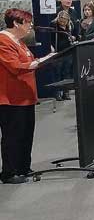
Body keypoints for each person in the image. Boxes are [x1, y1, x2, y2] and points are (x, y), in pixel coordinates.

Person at [0, 9, 41, 184]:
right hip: (11, 98)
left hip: (25, 96)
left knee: (25, 133)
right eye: (27, 23)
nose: (30, 26)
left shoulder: (19, 42)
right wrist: (36, 63)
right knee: (13, 135)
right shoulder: (3, 40)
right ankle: (10, 172)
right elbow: (15, 66)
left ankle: (23, 167)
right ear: (16, 24)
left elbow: (29, 61)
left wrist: (42, 61)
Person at [50, 11, 75, 100]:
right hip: (58, 52)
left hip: (68, 51)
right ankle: (57, 93)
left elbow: (75, 35)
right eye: (61, 19)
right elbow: (50, 38)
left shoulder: (69, 26)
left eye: (65, 20)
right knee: (57, 73)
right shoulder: (54, 26)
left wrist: (73, 38)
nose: (63, 22)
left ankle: (66, 92)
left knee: (67, 73)